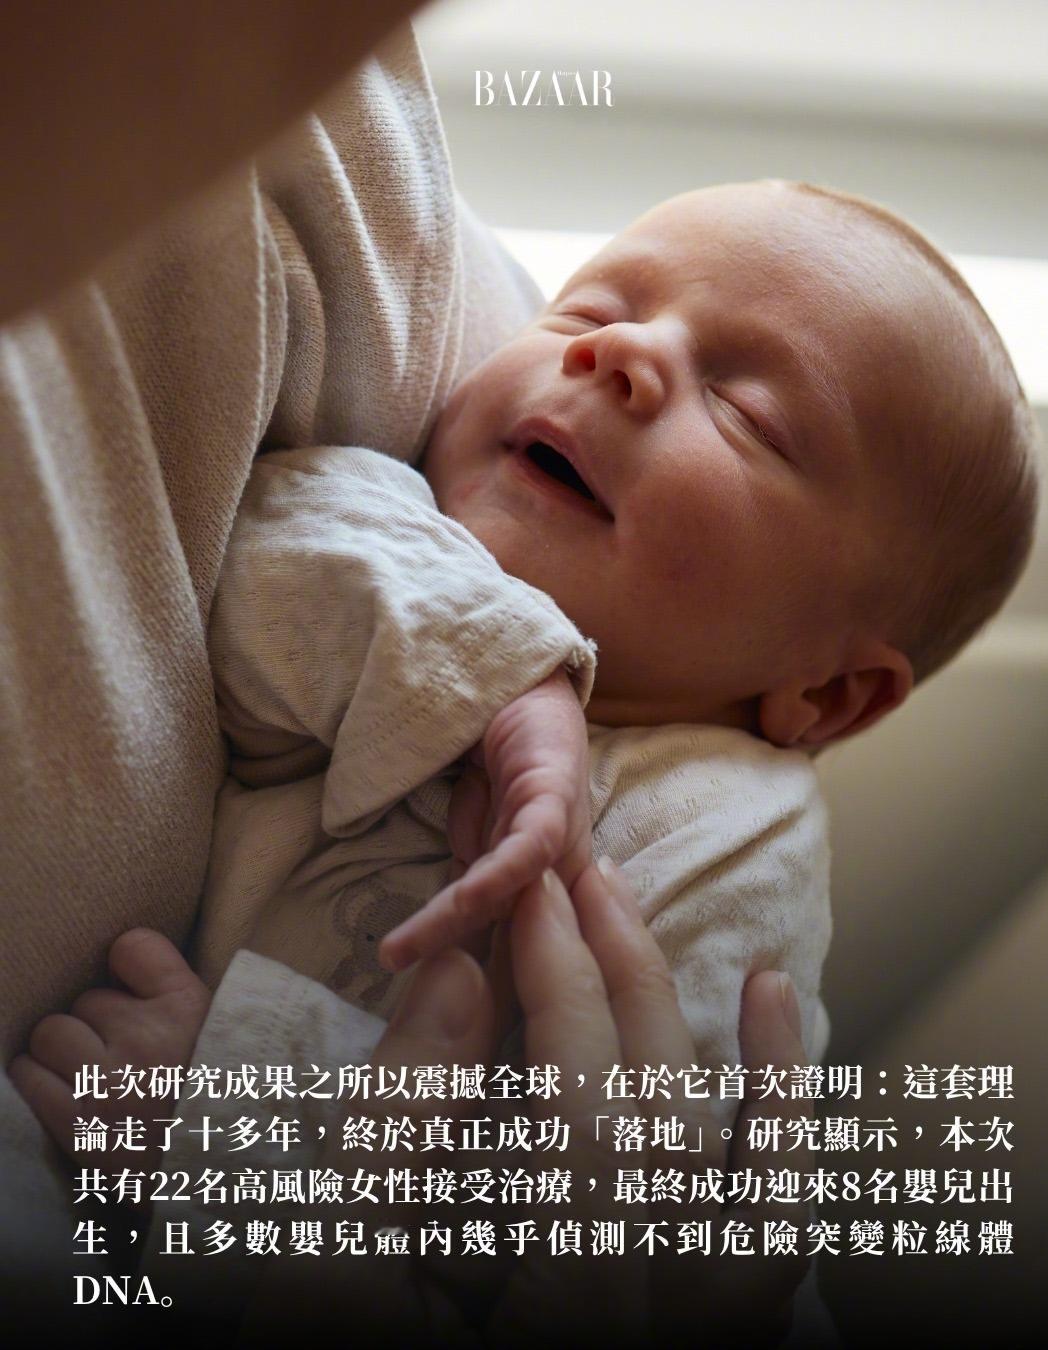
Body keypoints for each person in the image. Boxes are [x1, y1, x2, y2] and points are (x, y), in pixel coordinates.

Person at [0, 17, 827, 1337]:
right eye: (590, 310)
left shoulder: (727, 823)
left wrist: (221, 1108)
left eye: (746, 413)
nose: (617, 353)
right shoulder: (399, 515)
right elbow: (259, 560)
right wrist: (505, 669)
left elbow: (613, 1191)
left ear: (828, 694)